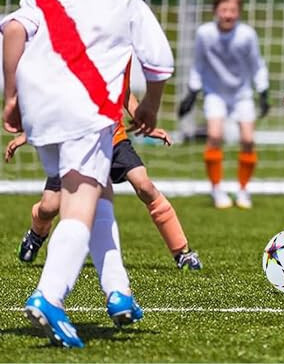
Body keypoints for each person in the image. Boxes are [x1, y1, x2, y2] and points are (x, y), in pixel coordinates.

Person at [1, 0, 174, 348]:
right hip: (89, 111)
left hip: (45, 113)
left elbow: (12, 31)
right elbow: (158, 60)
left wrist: (11, 95)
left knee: (97, 197)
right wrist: (150, 105)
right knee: (78, 207)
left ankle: (119, 292)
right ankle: (49, 296)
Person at [7, 85, 202, 271]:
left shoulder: (121, 52)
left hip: (113, 138)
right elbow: (55, 97)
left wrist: (145, 124)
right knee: (49, 207)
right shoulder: (71, 55)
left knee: (145, 186)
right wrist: (29, 133)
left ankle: (182, 252)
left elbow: (124, 92)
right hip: (73, 140)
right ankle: (36, 233)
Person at [178, 0, 269, 209]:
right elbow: (198, 64)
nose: (228, 14)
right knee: (214, 135)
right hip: (215, 92)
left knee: (248, 140)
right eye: (223, 9)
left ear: (239, 12)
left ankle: (243, 190)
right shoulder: (205, 33)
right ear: (215, 10)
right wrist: (192, 91)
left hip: (242, 93)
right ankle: (217, 189)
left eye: (232, 10)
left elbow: (257, 64)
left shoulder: (246, 35)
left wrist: (263, 91)